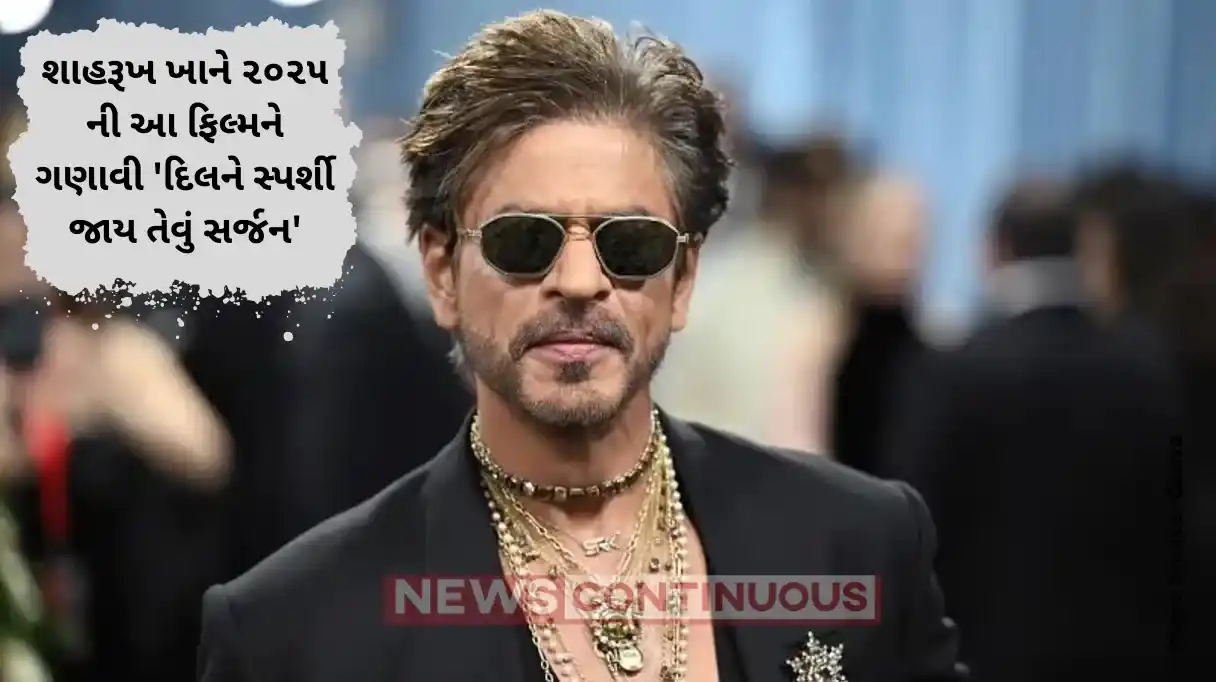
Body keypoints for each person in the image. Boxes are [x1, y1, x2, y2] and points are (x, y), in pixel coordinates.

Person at [197, 11, 963, 682]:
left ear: (683, 278)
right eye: (523, 241)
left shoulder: (858, 545)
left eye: (629, 244)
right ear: (441, 272)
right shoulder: (292, 630)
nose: (578, 281)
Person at [880, 180, 1177, 682]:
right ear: (1082, 251)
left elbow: (910, 521)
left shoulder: (952, 370)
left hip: (980, 649)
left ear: (995, 249)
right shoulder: (1147, 370)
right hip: (1122, 654)